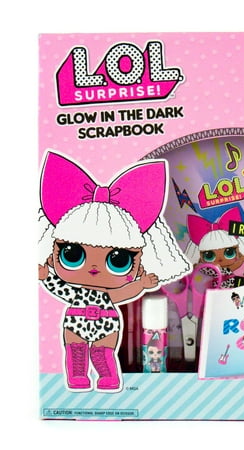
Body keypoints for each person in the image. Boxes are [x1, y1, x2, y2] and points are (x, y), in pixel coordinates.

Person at [38, 151, 190, 392]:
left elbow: (119, 295)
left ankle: (109, 379)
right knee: (76, 352)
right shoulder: (75, 293)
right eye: (72, 255)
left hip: (107, 322)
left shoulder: (109, 295)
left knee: (103, 353)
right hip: (76, 320)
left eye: (118, 260)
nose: (94, 269)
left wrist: (140, 285)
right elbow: (60, 287)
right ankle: (77, 378)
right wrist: (46, 275)